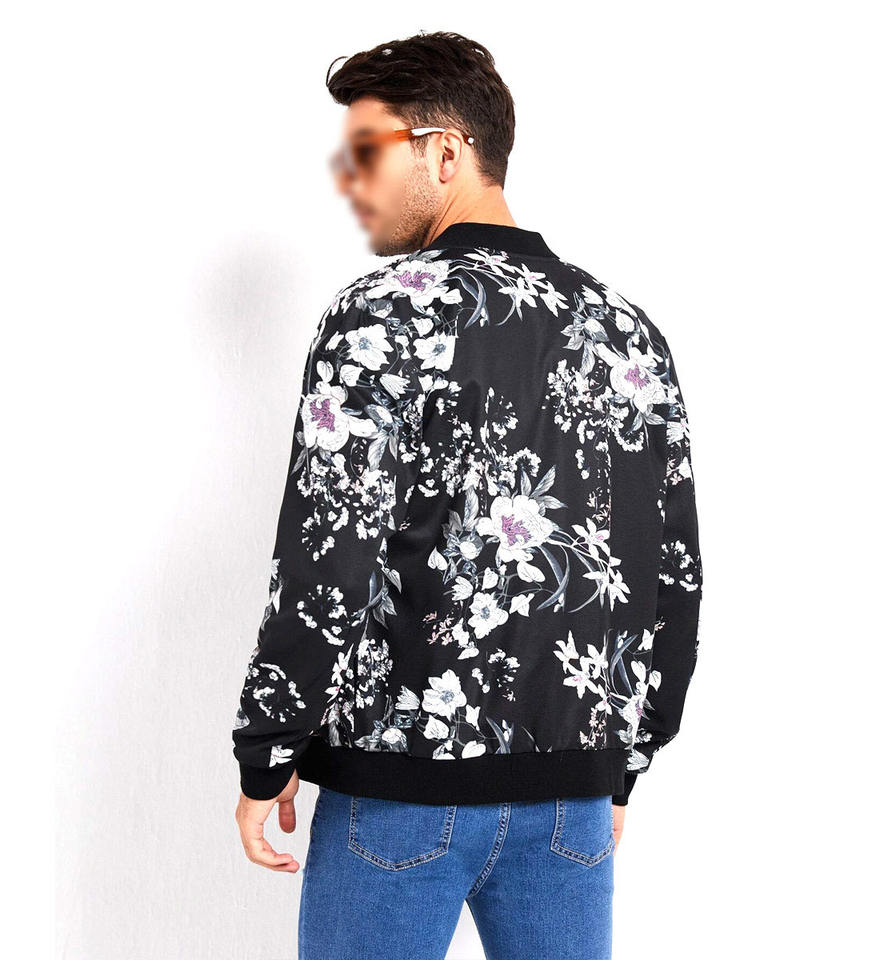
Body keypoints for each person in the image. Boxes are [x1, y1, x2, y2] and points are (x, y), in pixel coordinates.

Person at [232, 30, 703, 960]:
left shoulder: (378, 314)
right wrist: (623, 765)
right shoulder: (626, 331)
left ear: (444, 151)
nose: (349, 180)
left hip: (398, 792)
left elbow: (329, 560)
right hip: (571, 803)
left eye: (366, 152)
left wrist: (269, 750)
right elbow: (672, 574)